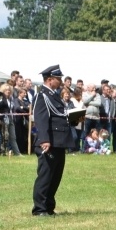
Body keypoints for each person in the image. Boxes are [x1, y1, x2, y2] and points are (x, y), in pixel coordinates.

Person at [32, 65, 75, 216]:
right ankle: (39, 209)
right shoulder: (42, 96)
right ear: (50, 80)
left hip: (59, 142)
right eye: (58, 78)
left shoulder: (54, 95)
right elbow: (41, 119)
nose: (61, 81)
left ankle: (49, 207)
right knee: (45, 176)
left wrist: (75, 120)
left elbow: (60, 116)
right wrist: (44, 139)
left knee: (55, 177)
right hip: (49, 142)